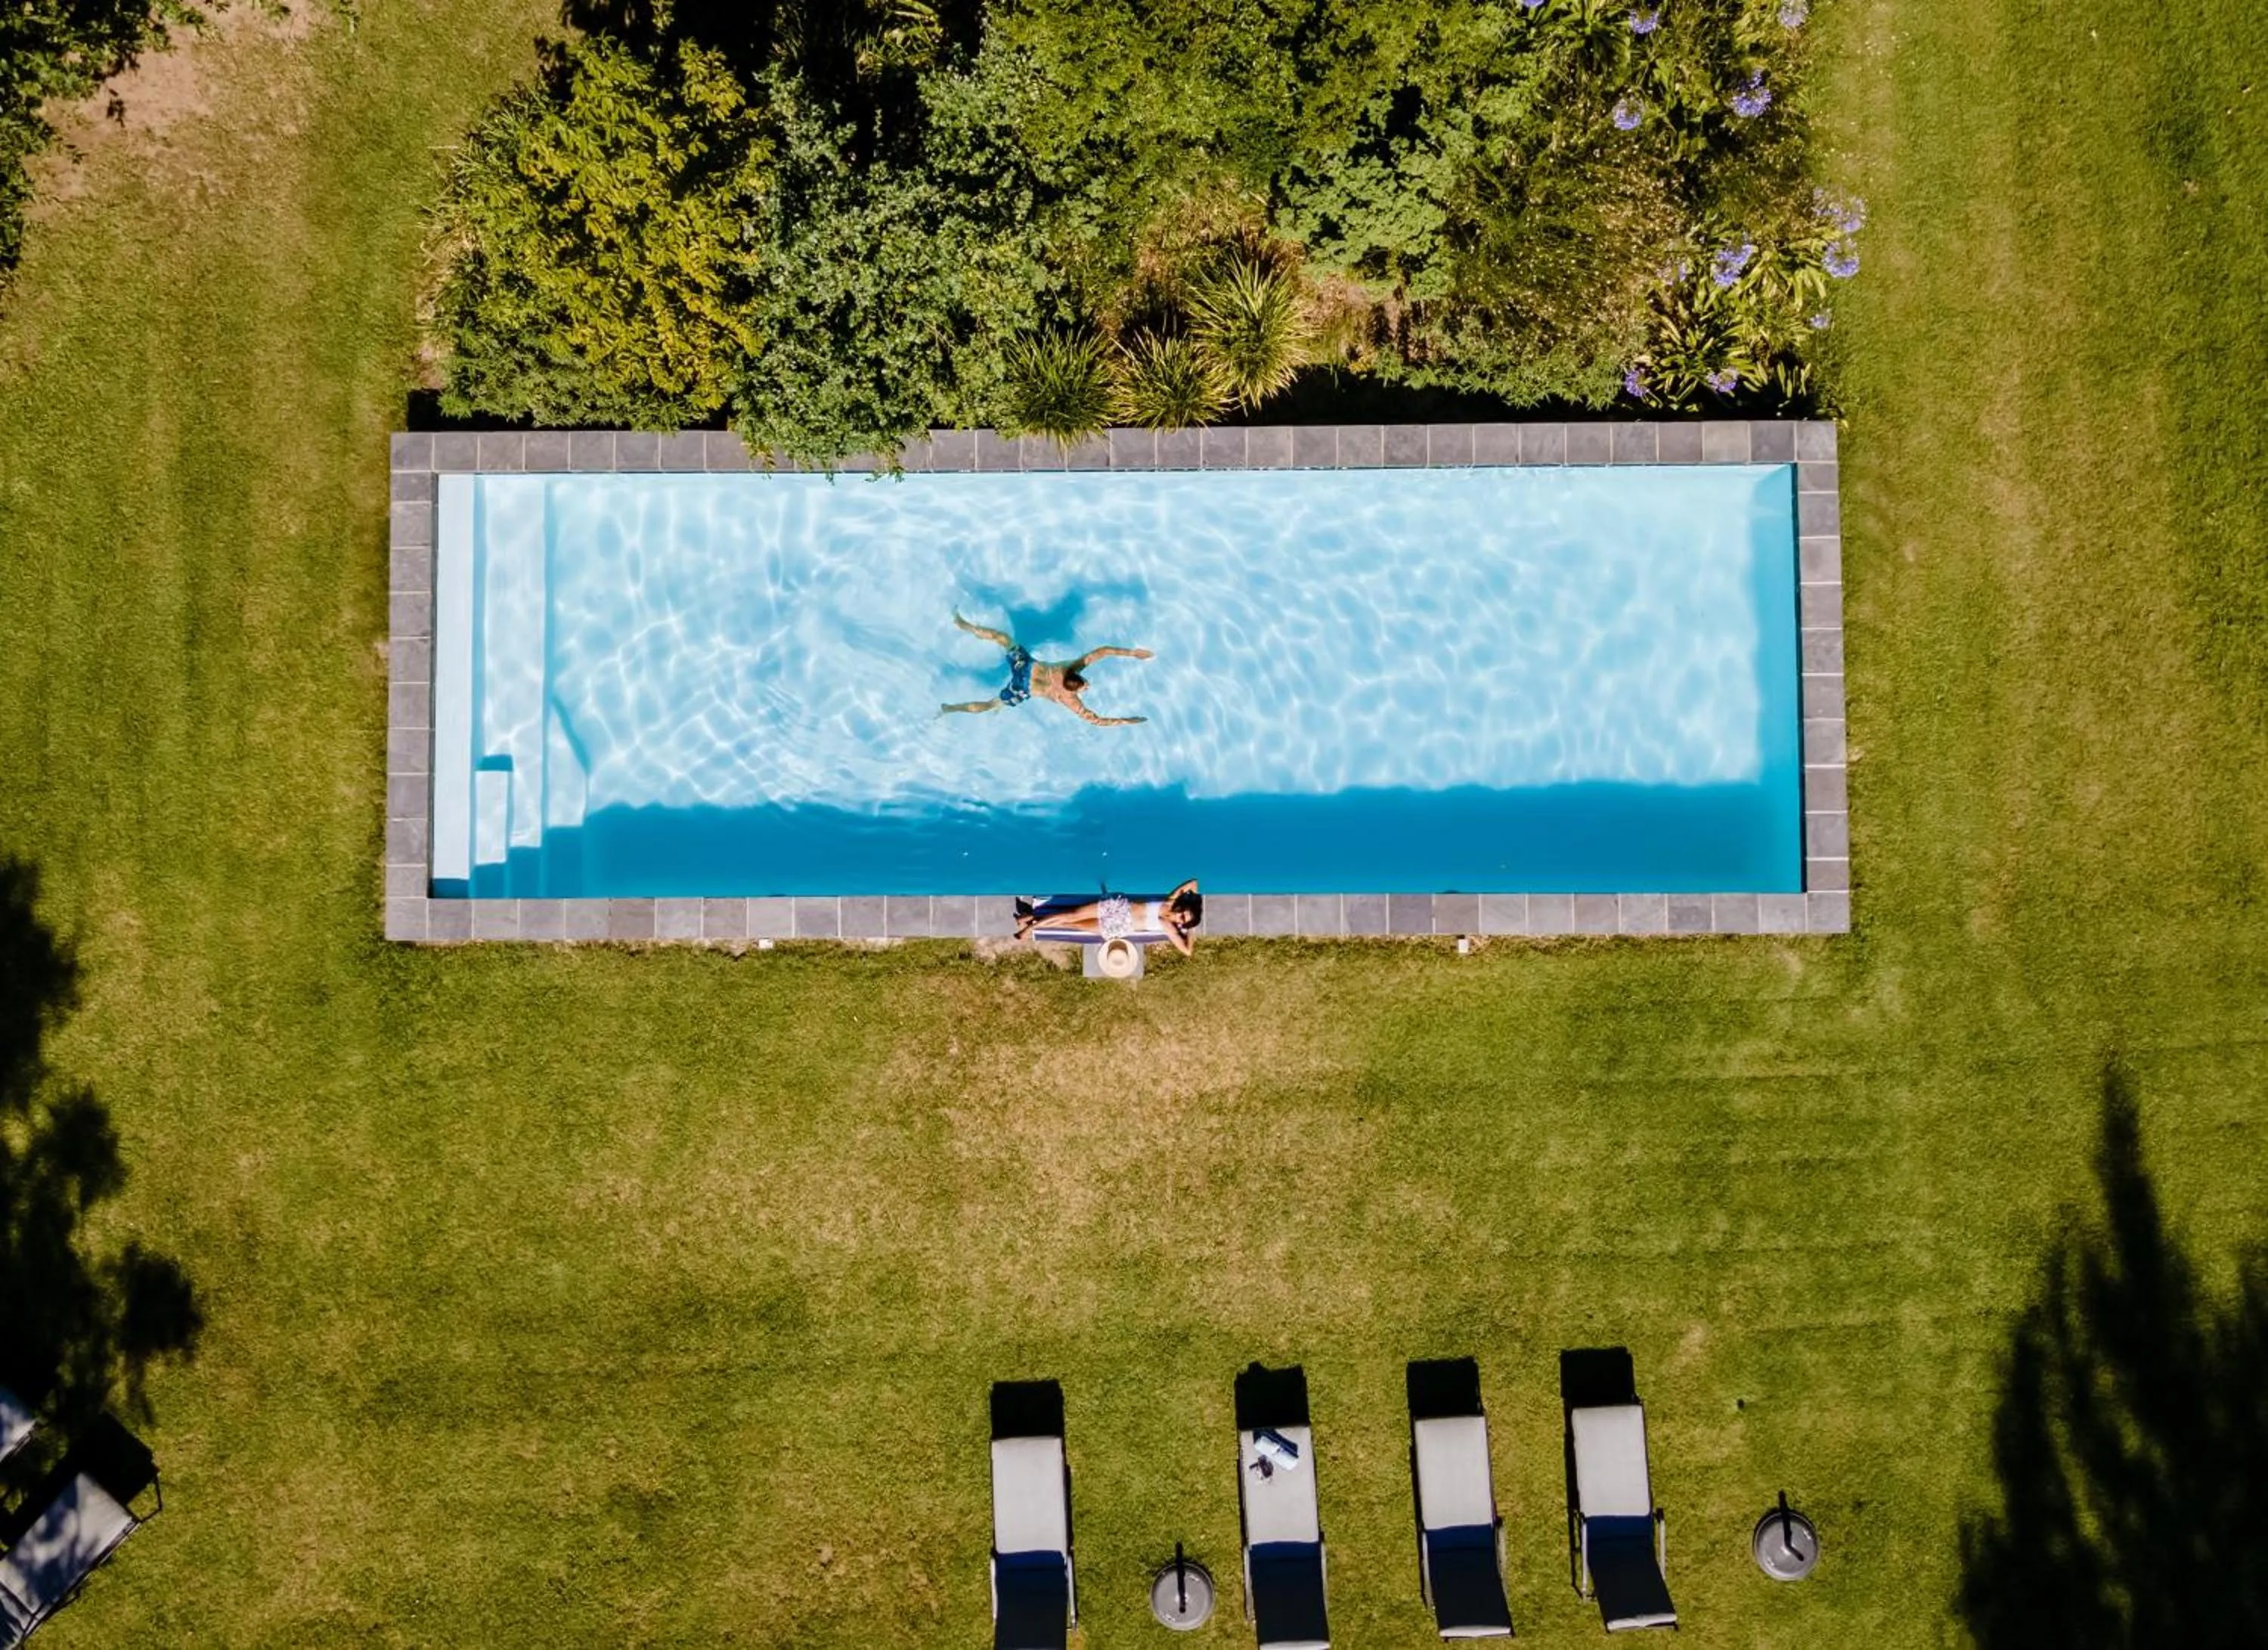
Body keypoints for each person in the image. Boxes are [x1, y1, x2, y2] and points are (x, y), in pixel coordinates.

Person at [940, 612, 1153, 727]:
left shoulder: (1067, 668)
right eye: (1084, 686)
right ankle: (948, 709)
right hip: (1022, 689)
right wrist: (1126, 721)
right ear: (1074, 687)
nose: (1086, 686)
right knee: (991, 704)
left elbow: (1103, 651)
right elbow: (1096, 721)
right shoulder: (1070, 700)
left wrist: (1134, 653)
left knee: (1002, 639)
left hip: (1026, 666)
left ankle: (962, 624)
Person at [1015, 879, 1203, 957]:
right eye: (1183, 913)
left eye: (1183, 920)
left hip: (1117, 927)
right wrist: (1195, 901)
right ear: (1183, 907)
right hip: (1116, 908)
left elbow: (1187, 951)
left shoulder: (1170, 928)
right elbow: (1194, 883)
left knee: (1070, 923)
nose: (1179, 917)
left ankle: (1030, 918)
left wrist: (1190, 928)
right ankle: (1030, 927)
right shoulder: (1170, 901)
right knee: (1072, 914)